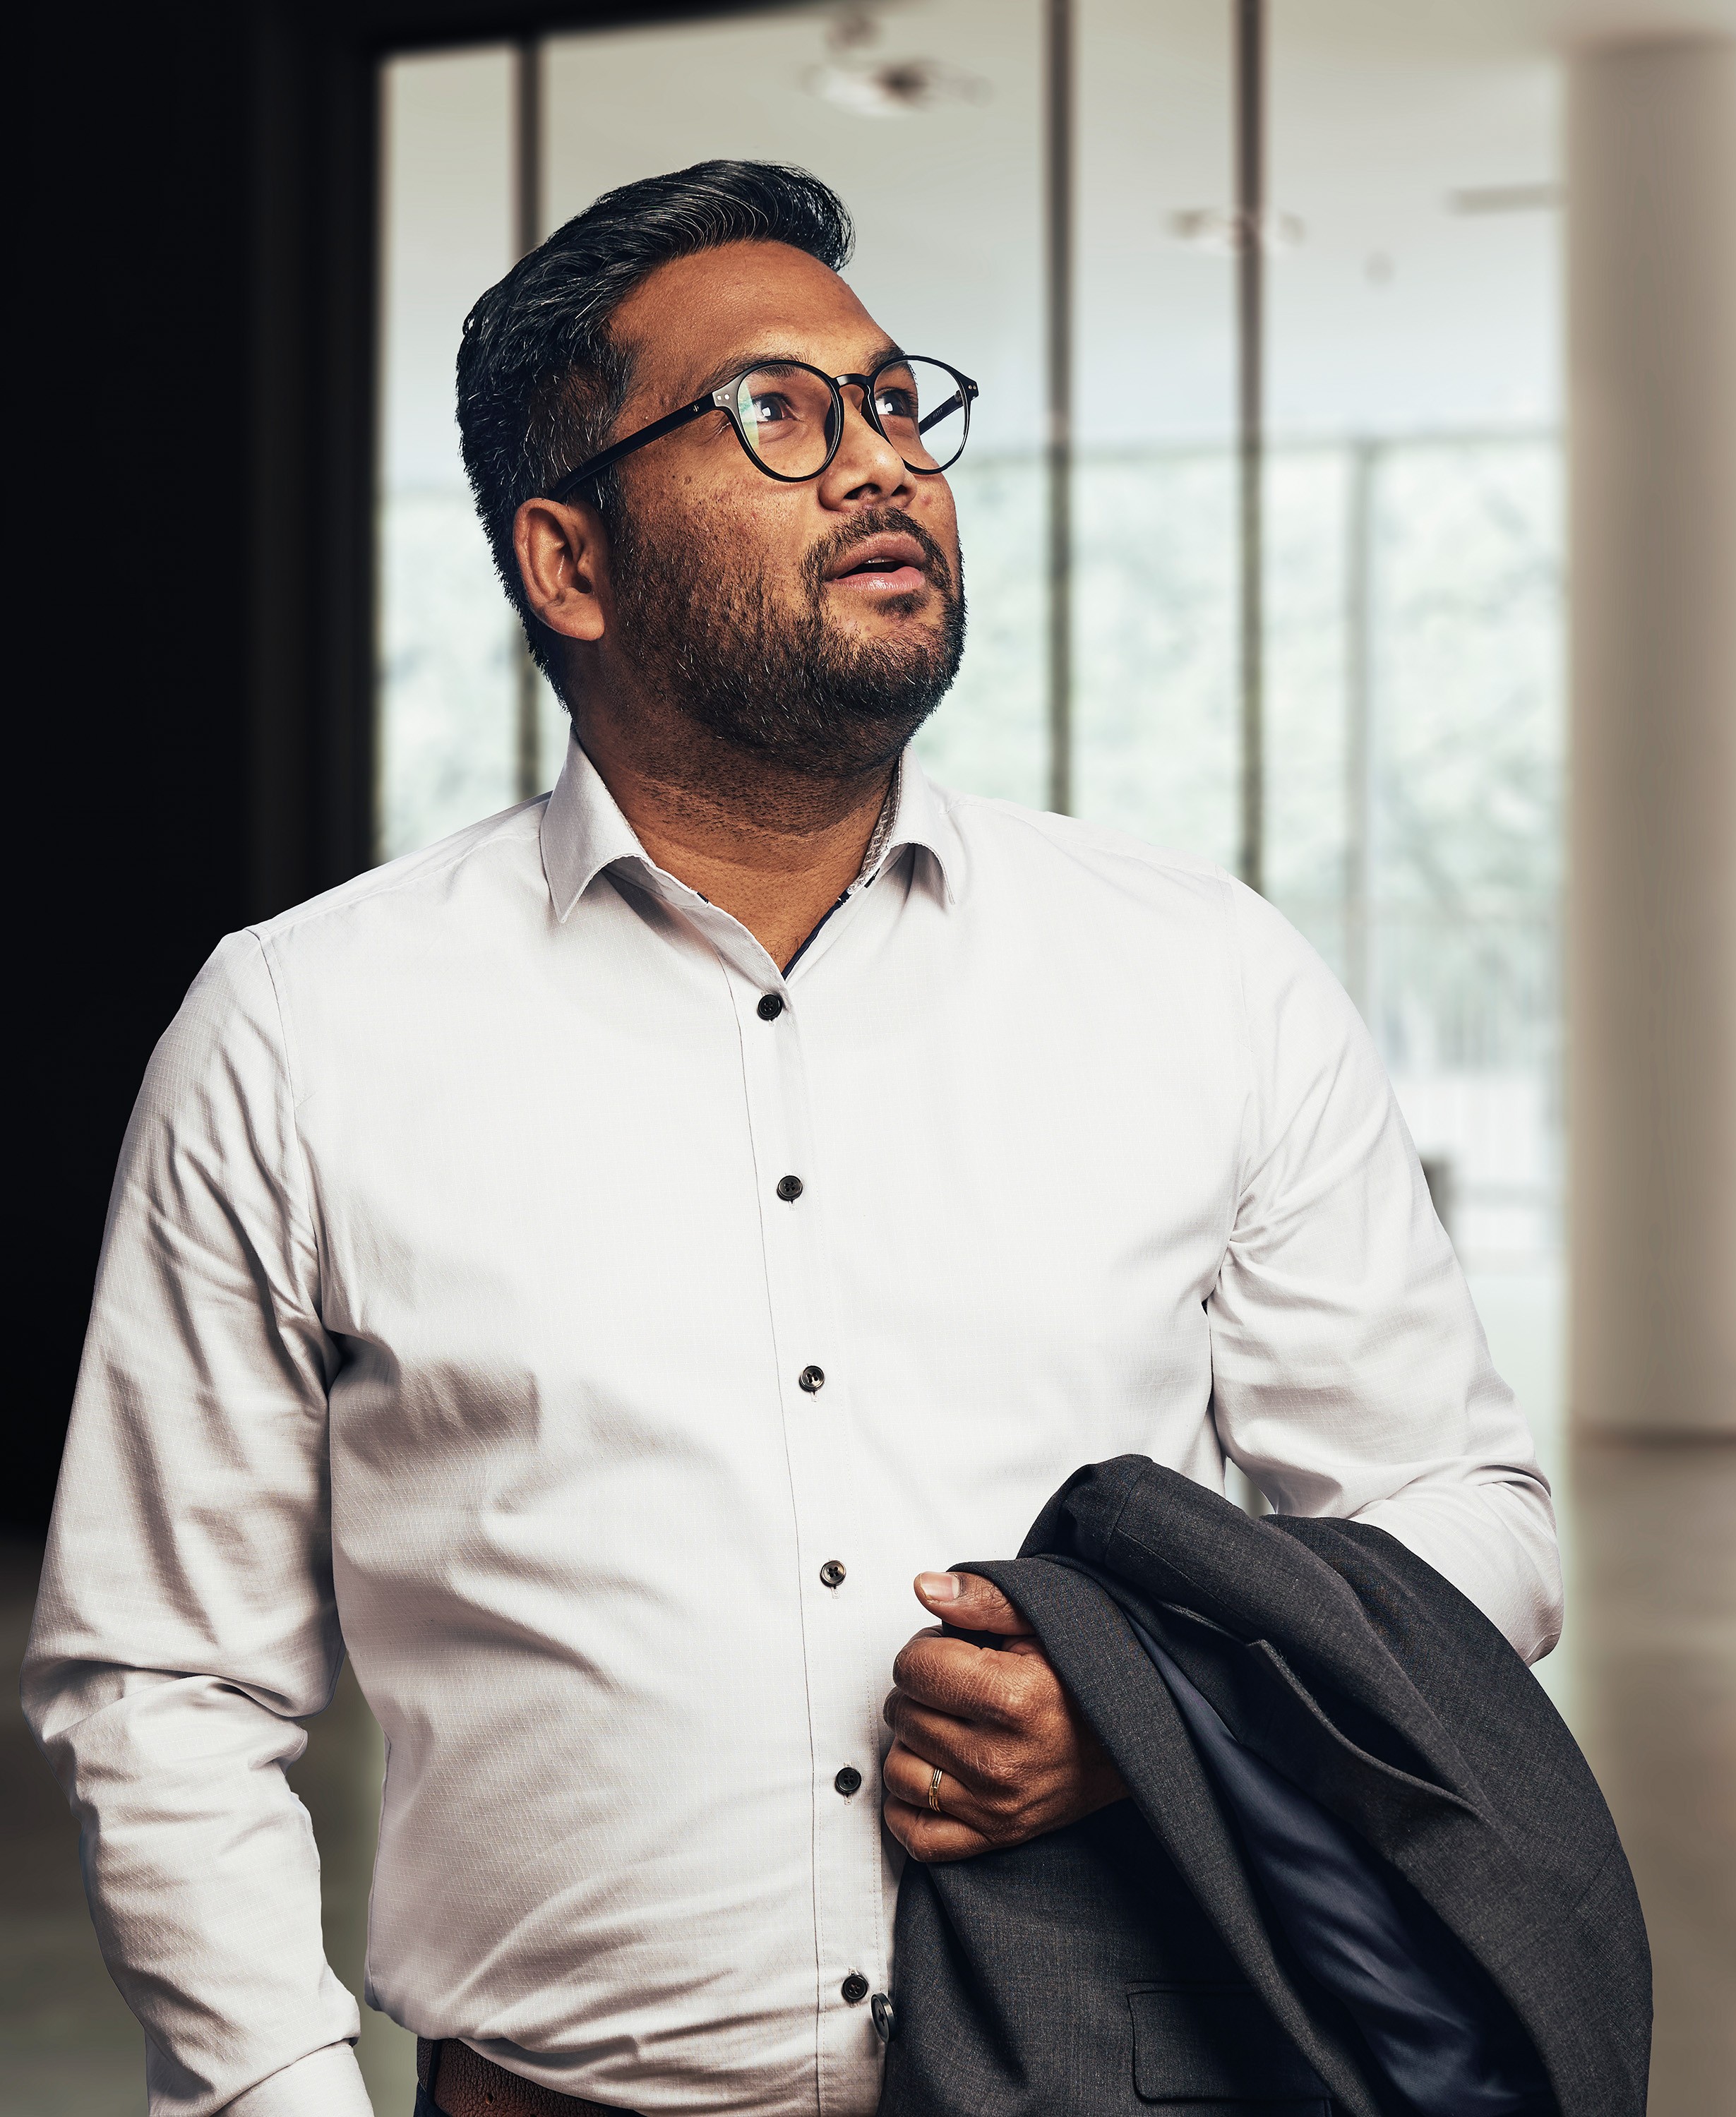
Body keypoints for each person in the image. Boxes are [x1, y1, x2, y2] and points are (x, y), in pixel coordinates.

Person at [22, 160, 1556, 2117]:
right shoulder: (300, 1031)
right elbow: (167, 1686)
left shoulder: (1204, 974)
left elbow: (1468, 1523)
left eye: (896, 401)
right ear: (568, 561)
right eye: (778, 413)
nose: (882, 466)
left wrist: (1158, 1704)